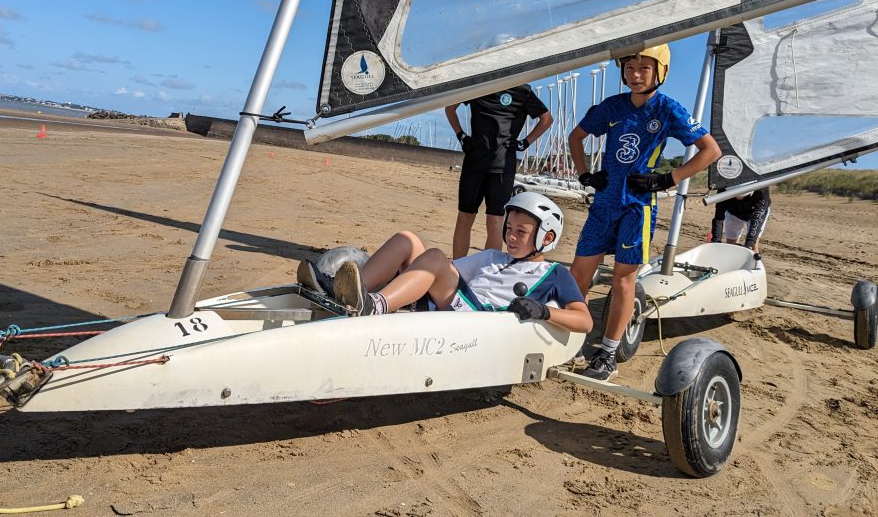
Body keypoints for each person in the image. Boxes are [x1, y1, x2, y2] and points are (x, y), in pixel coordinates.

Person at [567, 44, 721, 380]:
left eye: (644, 69)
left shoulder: (668, 110)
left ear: (660, 71)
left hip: (638, 208)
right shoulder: (612, 106)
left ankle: (607, 353)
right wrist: (584, 174)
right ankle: (570, 343)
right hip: (604, 204)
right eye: (631, 68)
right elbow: (575, 137)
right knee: (578, 274)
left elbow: (711, 150)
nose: (636, 76)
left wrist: (668, 178)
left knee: (623, 280)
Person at [300, 192, 592, 334]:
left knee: (436, 259)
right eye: (509, 229)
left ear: (546, 237)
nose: (511, 238)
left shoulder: (554, 274)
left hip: (480, 323)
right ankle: (352, 293)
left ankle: (372, 305)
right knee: (408, 240)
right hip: (454, 304)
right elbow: (444, 273)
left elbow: (584, 321)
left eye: (521, 232)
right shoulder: (493, 257)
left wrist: (542, 311)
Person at [445, 86, 552, 260]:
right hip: (475, 161)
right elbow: (450, 108)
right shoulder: (480, 83)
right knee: (465, 217)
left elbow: (546, 119)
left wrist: (524, 143)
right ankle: (457, 269)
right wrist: (461, 136)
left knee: (495, 221)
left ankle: (485, 274)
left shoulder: (522, 90)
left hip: (503, 166)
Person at [711, 188, 770, 255]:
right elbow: (718, 217)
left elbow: (757, 220)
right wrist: (715, 241)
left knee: (753, 246)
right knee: (730, 244)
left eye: (742, 197)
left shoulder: (762, 192)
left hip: (754, 213)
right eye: (735, 196)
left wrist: (749, 244)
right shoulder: (723, 188)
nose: (739, 199)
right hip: (733, 211)